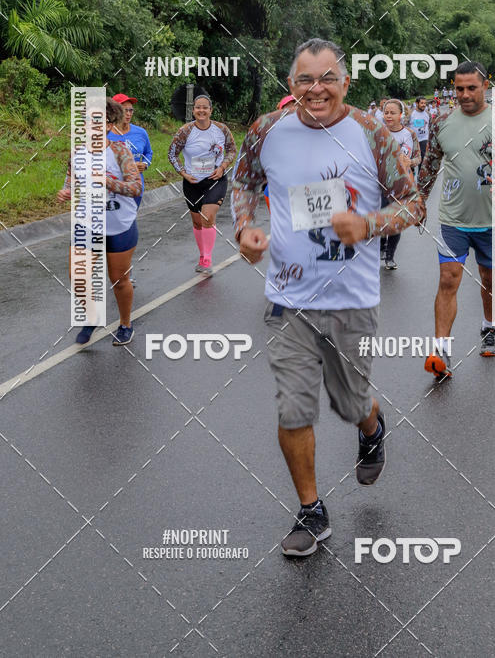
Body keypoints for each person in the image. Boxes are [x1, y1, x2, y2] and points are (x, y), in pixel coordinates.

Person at [231, 37, 424, 557]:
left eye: (327, 79)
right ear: (291, 84)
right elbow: (243, 181)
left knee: (349, 399)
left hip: (351, 297)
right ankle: (311, 511)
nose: (316, 90)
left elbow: (413, 205)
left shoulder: (371, 132)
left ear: (345, 81)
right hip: (289, 294)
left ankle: (372, 425)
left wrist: (369, 223)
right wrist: (246, 226)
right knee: (293, 406)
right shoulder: (266, 130)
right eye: (304, 80)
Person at [418, 60, 495, 380]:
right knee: (448, 280)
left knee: (489, 281)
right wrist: (419, 201)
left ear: (485, 87)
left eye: (471, 88)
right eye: (459, 88)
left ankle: (489, 327)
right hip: (453, 219)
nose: (464, 94)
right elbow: (429, 166)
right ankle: (441, 351)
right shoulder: (441, 122)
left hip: (493, 221)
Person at [57, 98, 142, 346]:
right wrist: (67, 191)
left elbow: (135, 187)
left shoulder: (119, 151)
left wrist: (108, 182)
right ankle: (92, 317)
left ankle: (125, 323)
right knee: (78, 275)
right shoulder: (77, 153)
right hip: (87, 223)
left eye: (100, 121)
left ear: (109, 124)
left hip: (119, 225)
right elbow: (71, 179)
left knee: (119, 279)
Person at [168, 94, 237, 273]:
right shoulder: (185, 131)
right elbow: (172, 154)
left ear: (210, 110)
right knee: (198, 222)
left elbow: (231, 150)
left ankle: (207, 259)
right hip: (192, 182)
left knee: (208, 217)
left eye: (205, 107)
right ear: (193, 110)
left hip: (215, 180)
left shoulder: (222, 129)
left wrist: (222, 166)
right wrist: (183, 173)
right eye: (198, 107)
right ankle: (202, 254)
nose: (201, 111)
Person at [107, 93, 152, 286]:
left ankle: (125, 272)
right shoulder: (106, 134)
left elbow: (148, 152)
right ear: (114, 112)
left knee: (125, 226)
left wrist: (145, 164)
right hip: (108, 193)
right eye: (124, 110)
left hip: (134, 190)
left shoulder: (140, 132)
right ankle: (113, 268)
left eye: (131, 110)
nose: (129, 113)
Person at [380, 99, 419, 269]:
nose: (388, 116)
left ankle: (390, 256)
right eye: (386, 112)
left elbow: (418, 157)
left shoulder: (410, 134)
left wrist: (411, 162)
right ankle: (381, 246)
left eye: (392, 112)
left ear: (401, 115)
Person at [409, 95, 430, 164]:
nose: (424, 105)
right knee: (412, 160)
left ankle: (420, 174)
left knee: (423, 159)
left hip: (424, 139)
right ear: (416, 103)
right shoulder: (411, 114)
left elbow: (430, 124)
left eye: (425, 103)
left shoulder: (427, 113)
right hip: (413, 140)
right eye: (422, 103)